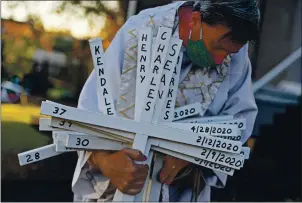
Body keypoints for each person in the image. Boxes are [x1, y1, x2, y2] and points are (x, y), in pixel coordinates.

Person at [73, 0, 260, 201]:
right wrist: (105, 162)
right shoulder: (141, 30)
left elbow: (238, 123)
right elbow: (89, 112)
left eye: (229, 53)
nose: (220, 60)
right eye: (216, 48)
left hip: (179, 194)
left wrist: (195, 156)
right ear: (195, 20)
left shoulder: (235, 53)